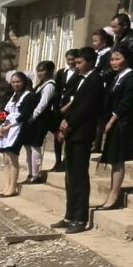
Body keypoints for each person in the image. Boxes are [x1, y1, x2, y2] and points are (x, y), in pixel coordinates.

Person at [53, 47, 102, 235]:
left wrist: (69, 123)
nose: (77, 65)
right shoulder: (78, 79)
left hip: (82, 132)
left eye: (80, 62)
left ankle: (80, 217)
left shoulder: (95, 80)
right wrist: (64, 121)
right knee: (70, 176)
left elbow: (86, 108)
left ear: (90, 62)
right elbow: (72, 103)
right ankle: (69, 214)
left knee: (79, 176)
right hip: (72, 131)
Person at [97, 46, 133, 210]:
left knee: (118, 160)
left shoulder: (130, 77)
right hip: (114, 122)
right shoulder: (116, 77)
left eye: (118, 59)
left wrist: (112, 120)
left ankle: (114, 195)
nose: (114, 62)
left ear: (126, 59)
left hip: (123, 124)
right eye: (112, 59)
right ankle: (112, 192)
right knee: (113, 160)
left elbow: (126, 103)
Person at [0, 71, 37, 197]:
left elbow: (24, 115)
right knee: (5, 159)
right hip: (7, 128)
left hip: (18, 129)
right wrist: (0, 121)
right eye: (13, 82)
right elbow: (5, 111)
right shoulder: (12, 95)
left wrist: (9, 126)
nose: (15, 84)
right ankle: (6, 186)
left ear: (24, 82)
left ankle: (13, 187)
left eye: (18, 82)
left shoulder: (29, 96)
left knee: (12, 158)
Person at [20, 61, 59, 184]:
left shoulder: (50, 85)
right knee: (28, 146)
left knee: (35, 145)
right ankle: (31, 172)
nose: (40, 73)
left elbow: (43, 103)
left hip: (41, 119)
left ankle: (36, 174)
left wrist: (34, 115)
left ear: (50, 71)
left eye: (43, 70)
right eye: (39, 70)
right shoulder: (41, 84)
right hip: (34, 119)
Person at [51, 49, 78, 172]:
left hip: (70, 106)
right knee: (57, 135)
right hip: (59, 106)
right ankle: (57, 161)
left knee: (67, 134)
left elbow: (77, 92)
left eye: (73, 59)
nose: (70, 62)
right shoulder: (62, 72)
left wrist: (68, 105)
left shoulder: (79, 73)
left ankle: (66, 162)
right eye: (68, 60)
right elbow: (57, 90)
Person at [90, 28, 113, 153]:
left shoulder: (108, 53)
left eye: (96, 41)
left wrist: (98, 76)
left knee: (101, 118)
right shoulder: (95, 54)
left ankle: (97, 144)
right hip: (94, 86)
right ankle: (93, 141)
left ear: (103, 41)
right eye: (93, 41)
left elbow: (109, 70)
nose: (94, 43)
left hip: (104, 87)